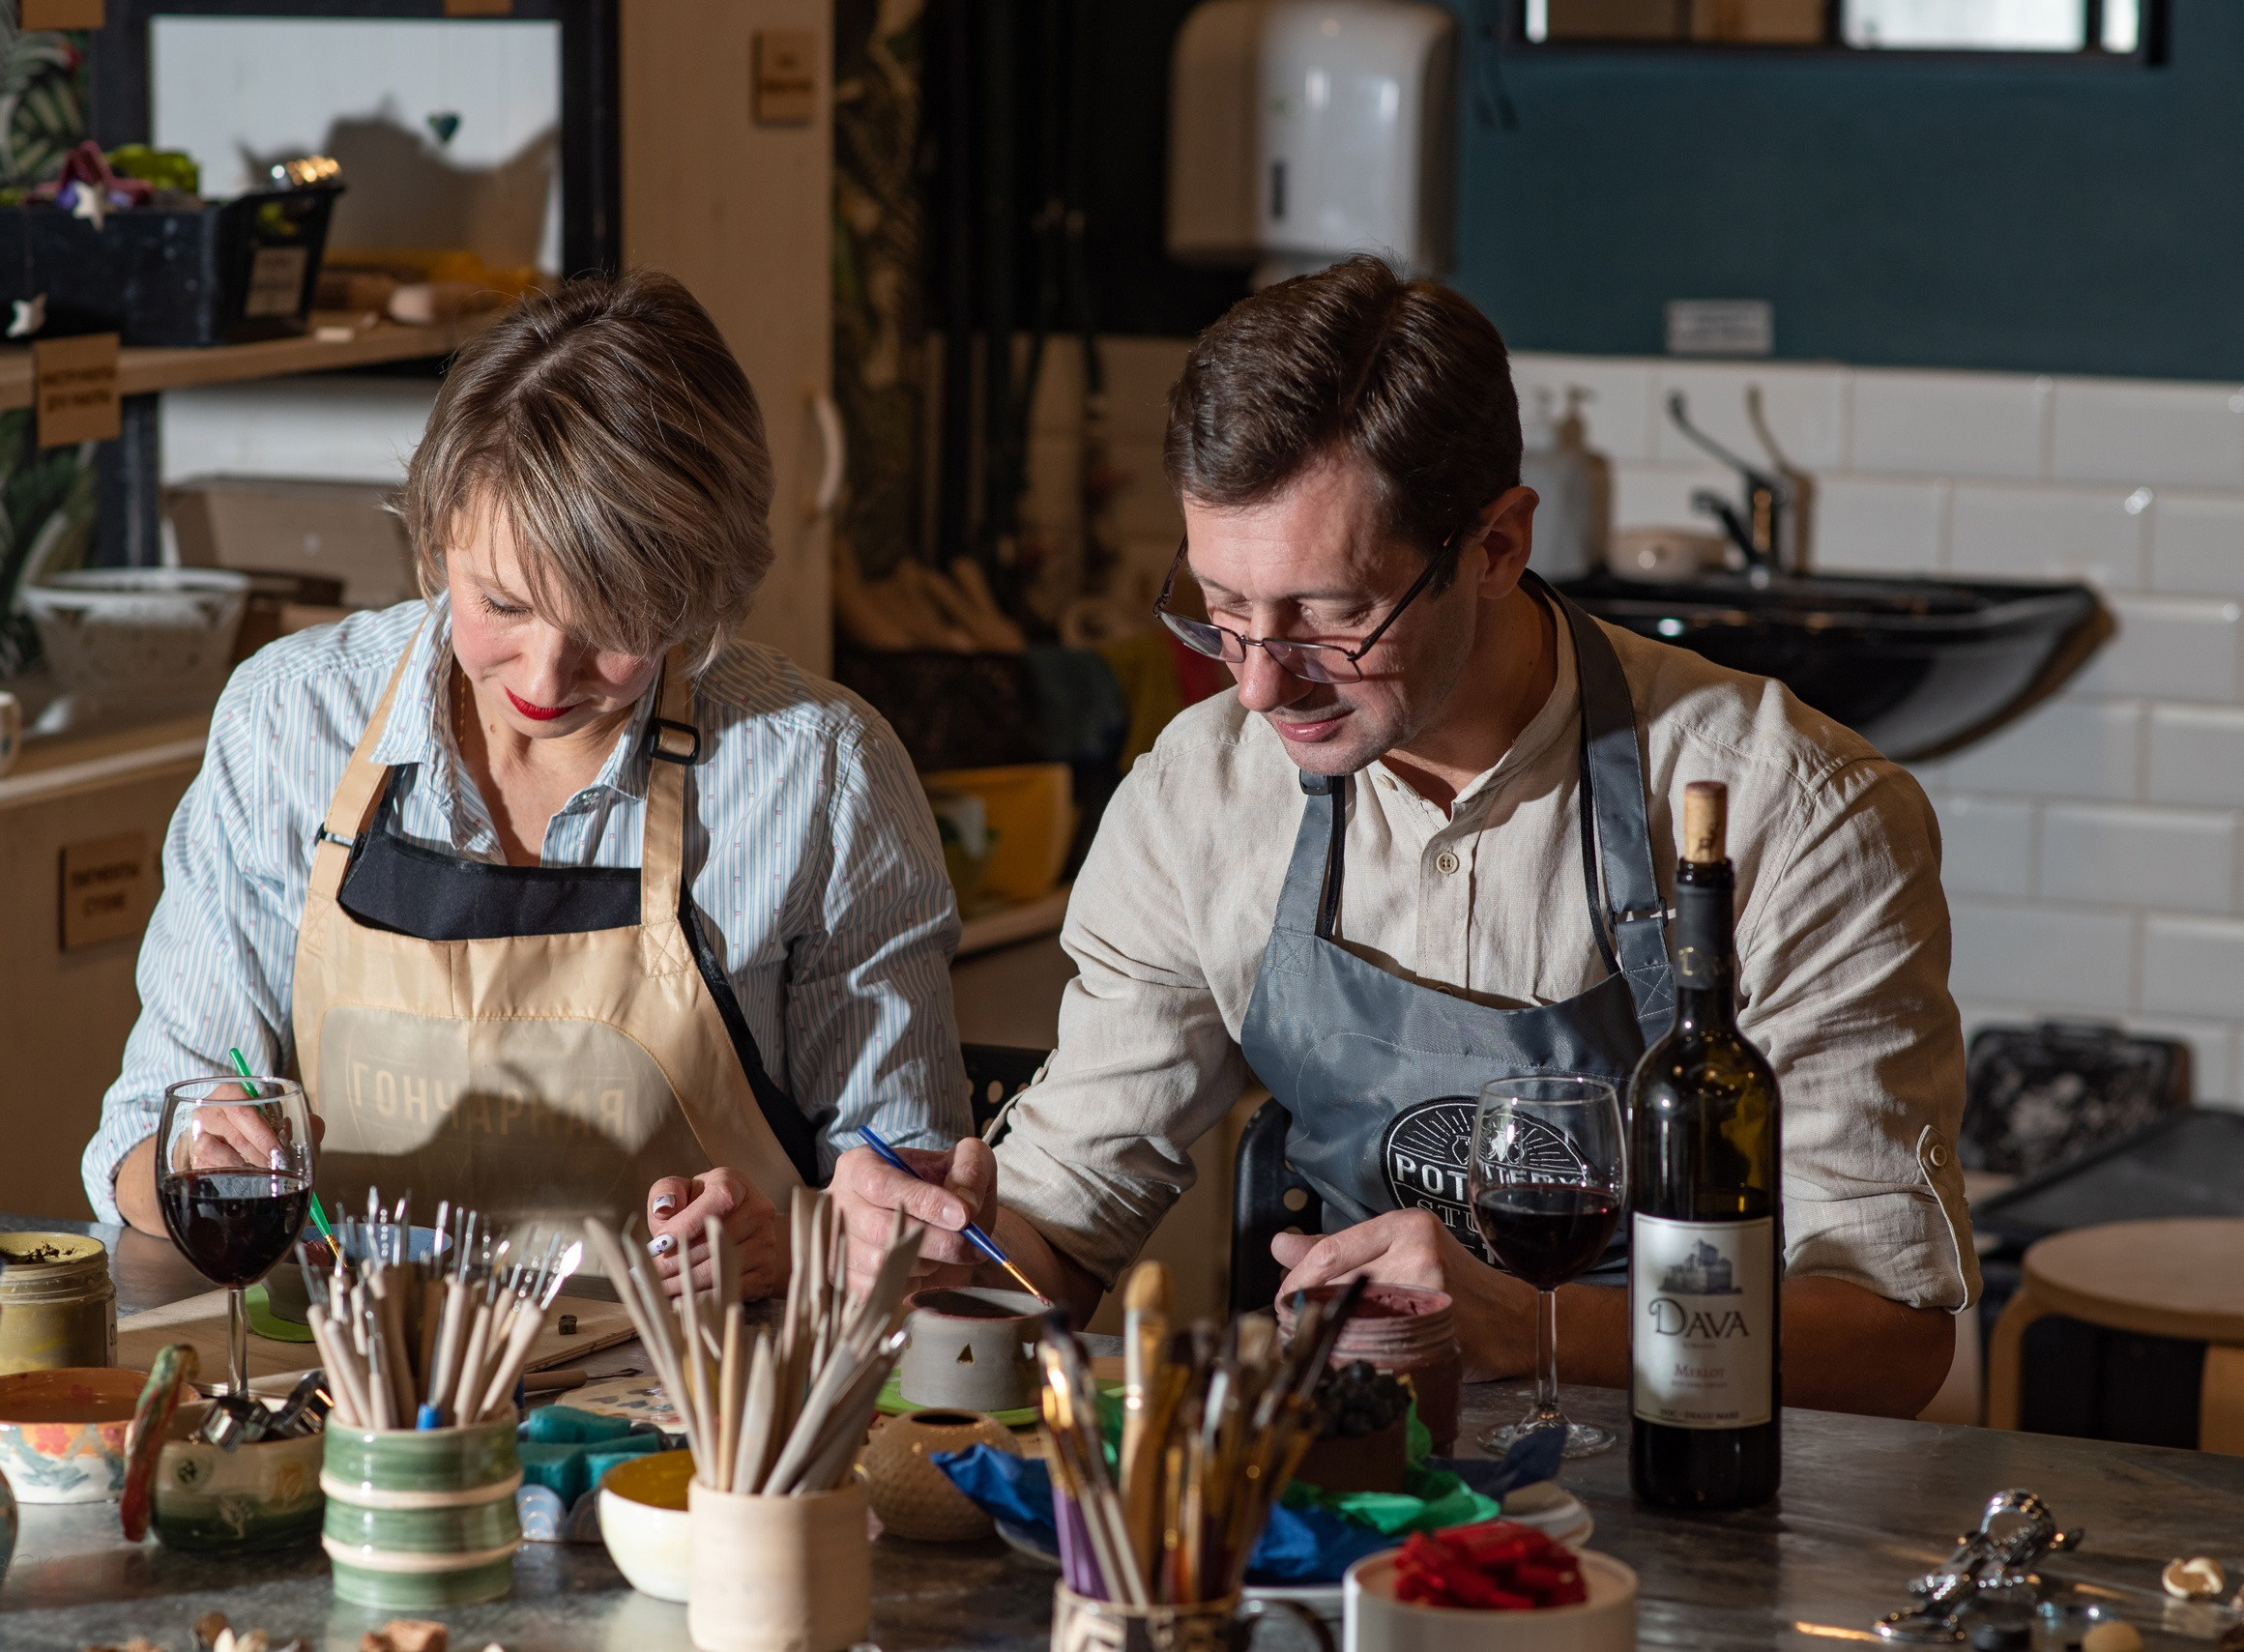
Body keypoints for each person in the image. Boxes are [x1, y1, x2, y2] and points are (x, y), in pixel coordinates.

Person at [829, 256, 1974, 1417]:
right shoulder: (1202, 794)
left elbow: (1888, 1338)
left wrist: (1525, 1324)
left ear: (1494, 547)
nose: (1265, 684)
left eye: (1331, 615)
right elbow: (1060, 1232)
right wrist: (946, 1247)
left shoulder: (1791, 808)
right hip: (1350, 1473)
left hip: (1697, 1487)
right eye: (1223, 613)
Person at [83, 271, 968, 1300]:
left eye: (614, 623)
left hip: (695, 1422)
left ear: (702, 592)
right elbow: (132, 1158)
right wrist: (193, 1162)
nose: (545, 679)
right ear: (434, 536)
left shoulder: (817, 772)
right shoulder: (289, 722)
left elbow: (912, 1210)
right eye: (498, 601)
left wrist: (802, 1240)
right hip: (348, 1405)